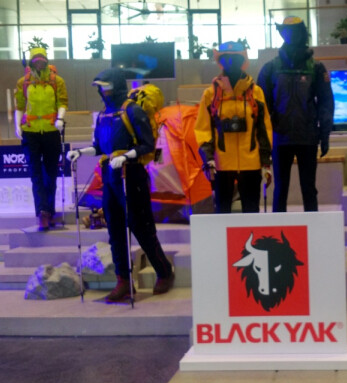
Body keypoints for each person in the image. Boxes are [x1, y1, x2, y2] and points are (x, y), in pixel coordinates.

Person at [66, 68, 174, 302]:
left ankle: (164, 271)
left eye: (105, 87)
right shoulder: (104, 115)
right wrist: (81, 152)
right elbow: (99, 146)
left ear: (116, 87)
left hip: (131, 175)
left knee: (141, 227)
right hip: (110, 176)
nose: (102, 91)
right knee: (115, 229)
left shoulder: (133, 111)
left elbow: (147, 145)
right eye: (100, 88)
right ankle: (123, 280)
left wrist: (126, 156)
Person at [257, 16, 334, 212]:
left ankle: (313, 228)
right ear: (282, 33)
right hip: (280, 137)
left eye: (294, 31)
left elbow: (326, 103)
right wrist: (264, 140)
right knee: (280, 190)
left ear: (302, 33)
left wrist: (325, 135)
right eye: (286, 31)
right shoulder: (270, 68)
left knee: (309, 189)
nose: (290, 35)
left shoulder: (316, 68)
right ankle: (278, 228)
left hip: (307, 137)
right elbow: (261, 107)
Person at [194, 41, 273, 214]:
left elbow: (264, 128)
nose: (230, 62)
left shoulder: (256, 92)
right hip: (221, 164)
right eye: (225, 58)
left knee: (251, 212)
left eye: (235, 58)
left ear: (242, 60)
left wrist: (265, 162)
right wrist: (208, 158)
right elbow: (203, 128)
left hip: (251, 163)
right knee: (222, 213)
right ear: (220, 62)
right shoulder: (211, 94)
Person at [14, 47, 68, 231]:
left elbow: (63, 102)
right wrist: (17, 126)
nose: (39, 63)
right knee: (36, 174)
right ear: (31, 62)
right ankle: (42, 213)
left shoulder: (57, 81)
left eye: (42, 60)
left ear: (46, 61)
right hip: (30, 132)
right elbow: (20, 106)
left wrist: (60, 118)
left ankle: (49, 211)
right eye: (36, 61)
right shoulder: (23, 82)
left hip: (51, 131)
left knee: (50, 173)